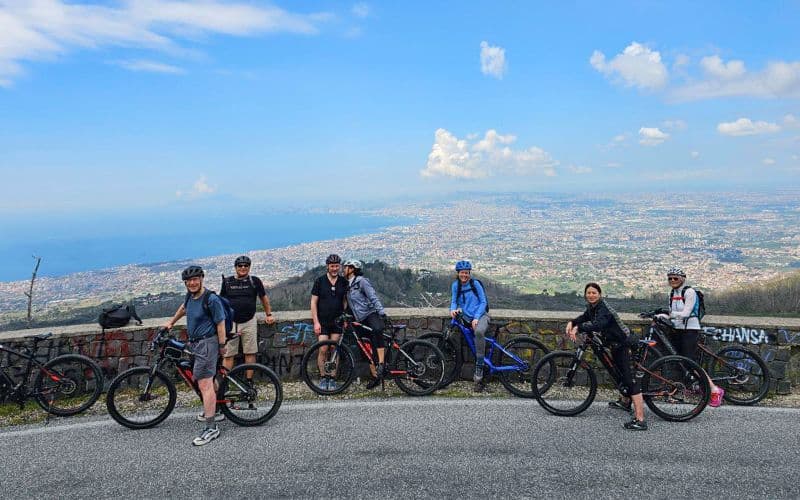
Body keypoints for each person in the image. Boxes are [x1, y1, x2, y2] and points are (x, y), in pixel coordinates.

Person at [566, 282, 648, 431]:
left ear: (600, 294)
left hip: (623, 344)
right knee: (619, 374)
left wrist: (579, 328)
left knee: (629, 380)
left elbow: (599, 325)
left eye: (594, 293)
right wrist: (573, 322)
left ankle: (640, 420)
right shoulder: (593, 307)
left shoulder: (603, 308)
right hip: (614, 344)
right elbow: (584, 317)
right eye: (588, 293)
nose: (591, 295)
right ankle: (625, 402)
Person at [164, 265, 227, 445]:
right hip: (195, 343)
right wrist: (171, 322)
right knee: (206, 379)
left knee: (204, 384)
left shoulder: (211, 299)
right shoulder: (190, 296)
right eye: (189, 281)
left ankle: (211, 427)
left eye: (195, 279)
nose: (192, 283)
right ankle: (217, 410)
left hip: (207, 343)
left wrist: (221, 346)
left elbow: (221, 323)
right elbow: (183, 308)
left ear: (201, 279)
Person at [662, 266, 724, 407]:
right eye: (670, 278)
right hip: (678, 329)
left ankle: (715, 390)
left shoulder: (689, 292)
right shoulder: (672, 293)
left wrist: (670, 315)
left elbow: (686, 312)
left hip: (690, 329)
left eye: (675, 278)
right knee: (682, 362)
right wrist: (660, 315)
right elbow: (672, 312)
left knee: (690, 362)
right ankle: (694, 388)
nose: (672, 280)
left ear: (683, 279)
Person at [220, 256, 275, 376]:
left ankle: (249, 381)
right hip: (231, 322)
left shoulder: (254, 281)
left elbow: (263, 298)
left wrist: (269, 314)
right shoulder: (227, 282)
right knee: (228, 354)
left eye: (246, 265)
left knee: (250, 353)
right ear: (235, 267)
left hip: (249, 321)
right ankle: (225, 381)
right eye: (240, 265)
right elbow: (221, 302)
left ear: (249, 267)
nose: (243, 268)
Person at [342, 259, 387, 390]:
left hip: (369, 314)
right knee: (365, 347)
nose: (344, 269)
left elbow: (373, 297)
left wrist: (382, 313)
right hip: (358, 319)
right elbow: (347, 303)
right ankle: (375, 376)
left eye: (346, 267)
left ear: (352, 269)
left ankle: (382, 364)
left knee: (377, 330)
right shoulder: (346, 285)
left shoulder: (361, 281)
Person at [449, 260, 489, 392]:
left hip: (481, 316)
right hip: (466, 318)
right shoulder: (456, 286)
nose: (464, 275)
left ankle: (479, 367)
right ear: (458, 273)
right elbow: (454, 301)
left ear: (469, 273)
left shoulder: (475, 284)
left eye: (466, 273)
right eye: (462, 273)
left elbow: (483, 302)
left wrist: (477, 317)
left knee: (478, 333)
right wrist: (452, 309)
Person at [310, 254, 348, 390]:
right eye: (332, 266)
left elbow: (345, 300)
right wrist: (316, 322)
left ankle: (332, 377)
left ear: (339, 266)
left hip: (337, 321)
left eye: (337, 266)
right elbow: (313, 302)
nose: (334, 268)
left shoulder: (343, 282)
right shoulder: (320, 281)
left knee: (334, 349)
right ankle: (322, 376)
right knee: (323, 349)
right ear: (327, 266)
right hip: (323, 321)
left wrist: (345, 316)